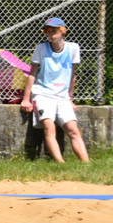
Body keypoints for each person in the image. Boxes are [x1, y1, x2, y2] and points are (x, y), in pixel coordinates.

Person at [20, 17, 90, 162]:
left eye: (54, 30)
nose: (51, 34)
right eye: (48, 31)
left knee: (73, 129)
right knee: (49, 127)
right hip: (42, 94)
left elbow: (72, 75)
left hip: (62, 97)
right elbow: (32, 74)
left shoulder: (73, 48)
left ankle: (86, 163)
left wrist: (70, 99)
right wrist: (26, 99)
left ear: (63, 31)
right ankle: (61, 164)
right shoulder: (41, 48)